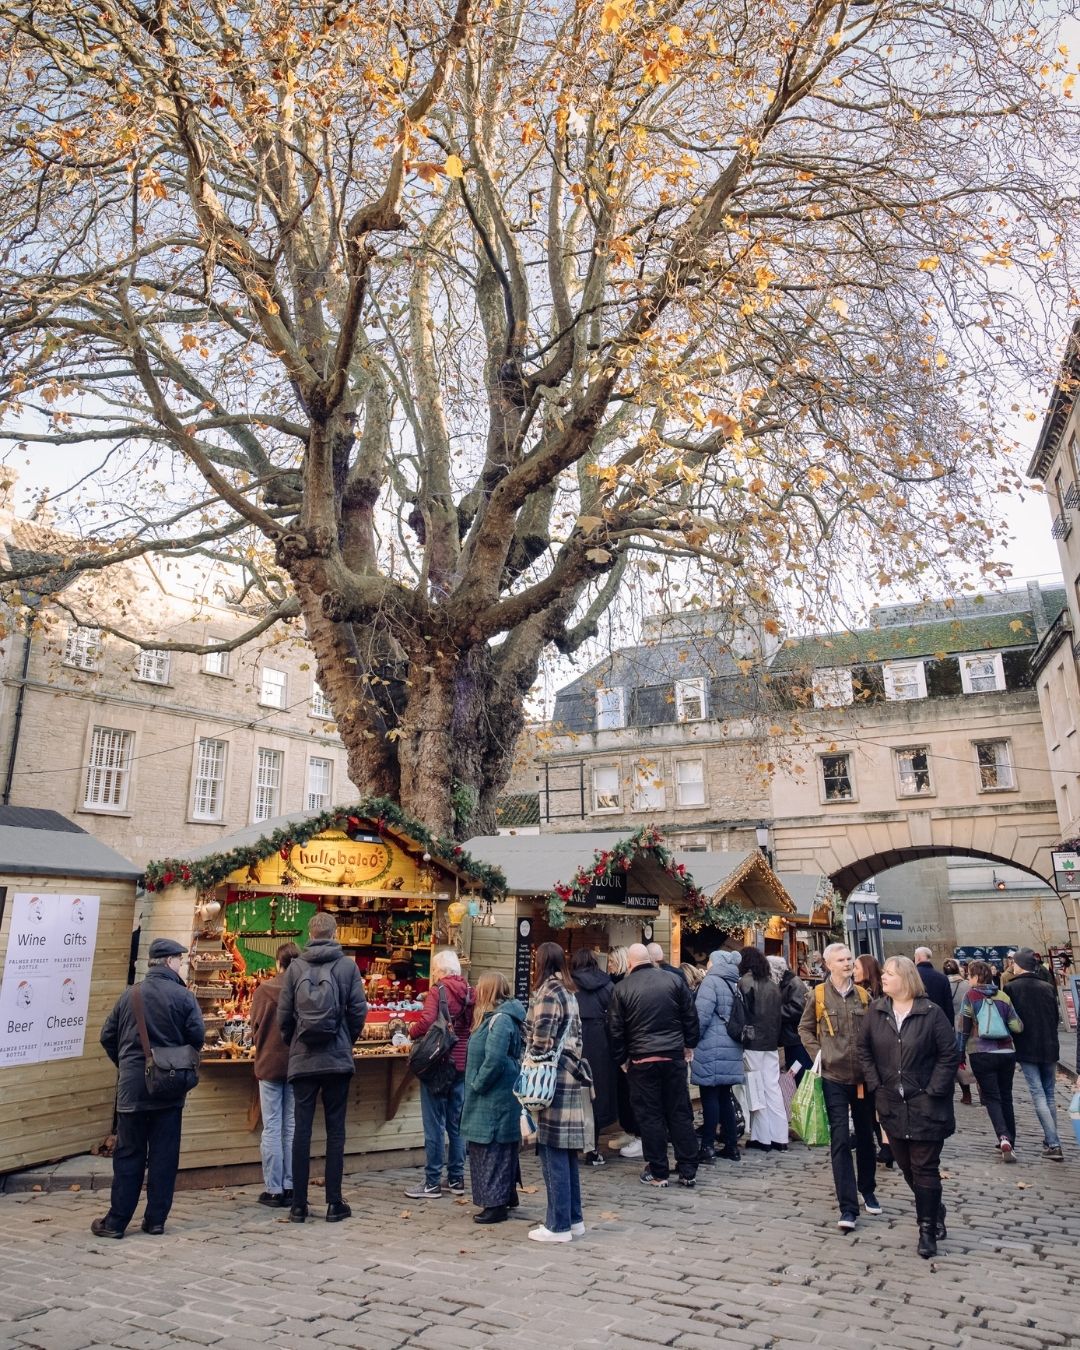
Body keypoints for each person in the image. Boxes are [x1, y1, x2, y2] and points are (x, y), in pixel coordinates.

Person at [93, 937, 205, 1239]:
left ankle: (116, 1222)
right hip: (169, 1088)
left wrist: (129, 1065)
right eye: (179, 960)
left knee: (128, 1154)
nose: (180, 965)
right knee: (164, 1156)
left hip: (132, 1089)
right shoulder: (184, 997)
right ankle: (155, 1220)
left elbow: (107, 1036)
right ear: (170, 961)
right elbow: (197, 1037)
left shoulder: (130, 995)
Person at [858, 956, 959, 1260]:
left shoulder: (930, 1013)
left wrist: (935, 1090)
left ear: (905, 978)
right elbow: (864, 1049)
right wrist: (875, 1084)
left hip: (925, 1103)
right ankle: (934, 1206)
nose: (883, 978)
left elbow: (948, 1054)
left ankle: (926, 1229)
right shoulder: (876, 1011)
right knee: (904, 1164)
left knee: (925, 1167)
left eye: (888, 974)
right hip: (890, 1102)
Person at [278, 911, 367, 1222]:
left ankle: (299, 1204)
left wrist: (296, 1043)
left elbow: (284, 1015)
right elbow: (358, 1011)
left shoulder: (295, 967)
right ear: (335, 932)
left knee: (301, 1131)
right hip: (336, 1058)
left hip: (303, 1058)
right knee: (335, 1131)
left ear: (310, 933)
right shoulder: (347, 966)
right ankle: (334, 1202)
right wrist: (346, 1039)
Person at [798, 942, 879, 1231]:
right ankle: (848, 1207)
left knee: (867, 1136)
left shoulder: (864, 996)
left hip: (861, 1079)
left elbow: (873, 1032)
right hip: (833, 1076)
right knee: (841, 1139)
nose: (847, 963)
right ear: (829, 965)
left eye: (850, 959)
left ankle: (867, 1187)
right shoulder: (818, 995)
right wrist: (818, 1054)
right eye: (842, 960)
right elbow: (804, 1028)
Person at [608, 942, 700, 1188]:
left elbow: (615, 1030)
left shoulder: (622, 987)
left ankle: (659, 1170)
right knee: (679, 1112)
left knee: (651, 1116)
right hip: (672, 1056)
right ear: (649, 959)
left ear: (629, 962)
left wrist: (622, 1060)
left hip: (642, 1059)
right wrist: (689, 1044)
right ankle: (688, 1168)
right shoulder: (673, 980)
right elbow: (690, 1015)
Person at [525, 942, 590, 1242]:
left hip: (553, 1078)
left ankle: (557, 1225)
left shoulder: (550, 992)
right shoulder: (569, 991)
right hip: (569, 1073)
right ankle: (574, 1219)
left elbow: (542, 1038)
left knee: (551, 1149)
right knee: (566, 1151)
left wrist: (530, 1054)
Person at [405, 949, 475, 1199]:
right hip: (462, 1062)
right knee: (456, 1125)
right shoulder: (469, 990)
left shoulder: (439, 991)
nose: (433, 975)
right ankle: (456, 1179)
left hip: (439, 1063)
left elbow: (425, 1023)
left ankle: (432, 1182)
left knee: (434, 1125)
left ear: (442, 971)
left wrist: (409, 1032)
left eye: (434, 970)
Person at [460, 971, 526, 1224]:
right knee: (495, 1147)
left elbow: (494, 1059)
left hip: (493, 1096)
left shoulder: (500, 1020)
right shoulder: (498, 1018)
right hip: (494, 1094)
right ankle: (504, 1195)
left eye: (479, 987)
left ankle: (495, 1203)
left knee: (492, 1148)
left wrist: (477, 1084)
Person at [249, 942, 300, 1207]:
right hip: (296, 1064)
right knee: (290, 1125)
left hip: (269, 1063)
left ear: (277, 963)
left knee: (272, 1126)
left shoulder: (264, 991)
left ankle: (274, 1188)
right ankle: (291, 1185)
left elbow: (255, 1027)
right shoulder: (304, 989)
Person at [960, 959, 1023, 1161]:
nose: (968, 979)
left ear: (977, 977)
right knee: (1006, 1096)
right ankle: (1010, 1140)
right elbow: (1017, 1026)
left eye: (969, 976)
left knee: (992, 1097)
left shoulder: (970, 996)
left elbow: (963, 1028)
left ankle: (1002, 1136)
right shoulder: (1003, 996)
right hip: (1006, 1052)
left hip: (981, 1052)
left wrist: (959, 1053)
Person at [1005, 950, 1063, 1161]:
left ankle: (1054, 1143)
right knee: (1049, 1095)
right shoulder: (1047, 987)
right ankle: (1051, 1140)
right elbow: (1055, 1017)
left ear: (1020, 965)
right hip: (1049, 1046)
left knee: (1038, 1094)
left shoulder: (1011, 987)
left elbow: (1010, 1020)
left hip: (1027, 1047)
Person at [691, 949, 746, 1163]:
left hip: (712, 1045)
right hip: (732, 1045)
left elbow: (701, 1016)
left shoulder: (711, 982)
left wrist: (691, 1041)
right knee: (725, 1096)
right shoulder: (735, 983)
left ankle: (707, 1146)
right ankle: (731, 1146)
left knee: (710, 1097)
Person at [570, 947, 617, 1166]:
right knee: (595, 1095)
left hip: (574, 1043)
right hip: (600, 1043)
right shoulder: (607, 984)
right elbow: (616, 1016)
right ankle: (593, 1147)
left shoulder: (568, 985)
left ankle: (570, 1146)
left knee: (572, 1096)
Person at [739, 947, 787, 1152]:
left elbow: (741, 1014)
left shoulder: (745, 983)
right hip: (770, 1042)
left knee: (755, 1089)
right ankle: (779, 1136)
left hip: (752, 1042)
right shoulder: (773, 985)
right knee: (772, 1088)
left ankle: (762, 1137)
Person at [606, 947, 641, 1158]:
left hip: (631, 1049)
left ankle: (638, 1134)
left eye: (611, 962)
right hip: (623, 1049)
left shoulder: (621, 986)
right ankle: (630, 1130)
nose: (608, 966)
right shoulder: (614, 984)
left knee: (631, 1093)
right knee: (622, 1092)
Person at [770, 955, 809, 1073]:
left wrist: (773, 1012)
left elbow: (798, 1009)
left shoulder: (793, 983)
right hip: (791, 1038)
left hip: (796, 1038)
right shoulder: (785, 982)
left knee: (799, 1073)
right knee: (794, 1072)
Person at [944, 958, 974, 1107]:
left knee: (959, 1058)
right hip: (970, 1021)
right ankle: (983, 1091)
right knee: (973, 1054)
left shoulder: (943, 985)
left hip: (953, 1024)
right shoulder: (968, 985)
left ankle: (966, 1093)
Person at [914, 948, 954, 1027]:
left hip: (917, 1023)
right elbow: (948, 1003)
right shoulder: (942, 978)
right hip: (938, 1022)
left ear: (918, 957)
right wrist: (950, 1024)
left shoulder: (912, 976)